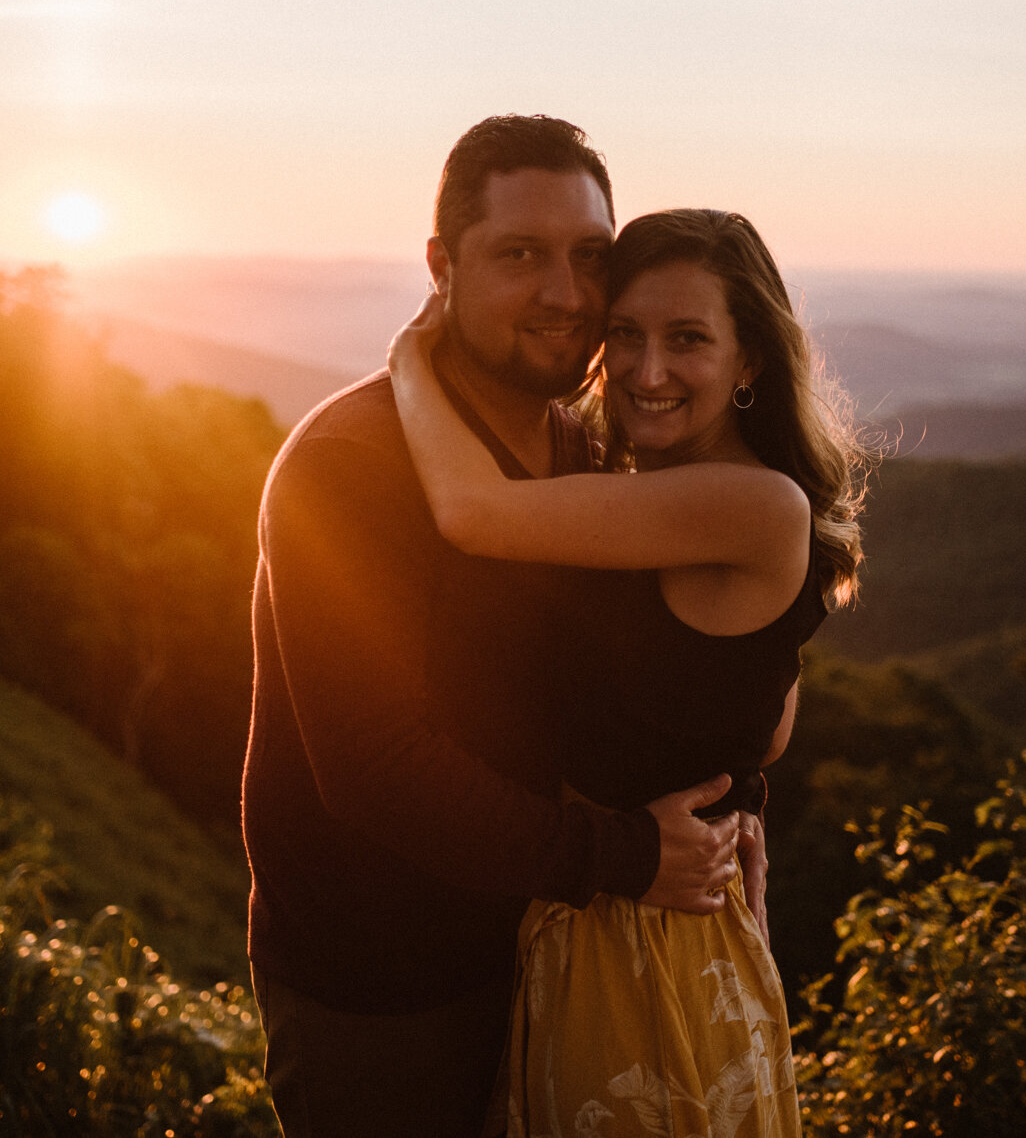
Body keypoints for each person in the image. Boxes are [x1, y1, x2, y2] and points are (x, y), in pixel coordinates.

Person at [242, 117, 752, 1138]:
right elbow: (374, 766)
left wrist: (737, 804)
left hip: (549, 950)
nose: (564, 293)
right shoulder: (348, 467)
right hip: (384, 995)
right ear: (442, 265)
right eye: (520, 255)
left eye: (588, 257)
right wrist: (620, 857)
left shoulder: (576, 451)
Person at [388, 207, 866, 1138]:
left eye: (687, 339)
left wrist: (410, 359)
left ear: (751, 359)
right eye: (626, 336)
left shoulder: (757, 506)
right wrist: (741, 812)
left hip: (650, 954)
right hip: (636, 924)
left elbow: (471, 511)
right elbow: (760, 723)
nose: (647, 372)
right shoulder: (665, 503)